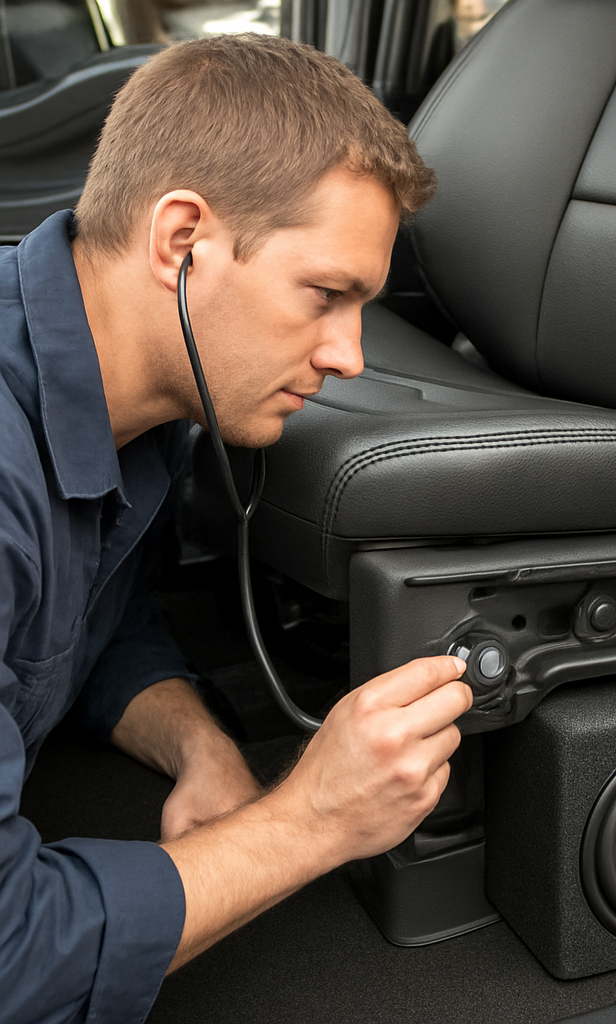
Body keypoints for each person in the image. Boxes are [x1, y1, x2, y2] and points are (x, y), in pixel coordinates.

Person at [0, 33, 472, 1024]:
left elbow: (97, 627)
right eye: (325, 294)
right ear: (181, 240)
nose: (349, 356)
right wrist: (313, 819)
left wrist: (204, 750)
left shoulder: (151, 408)